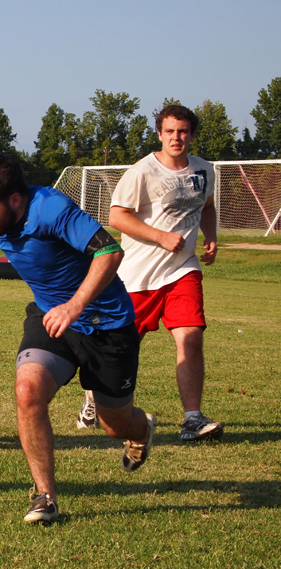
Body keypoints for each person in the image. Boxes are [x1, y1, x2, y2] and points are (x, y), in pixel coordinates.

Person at [0, 153, 155, 524]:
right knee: (28, 391)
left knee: (114, 424)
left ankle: (142, 429)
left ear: (16, 200)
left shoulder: (52, 209)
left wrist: (73, 306)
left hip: (108, 324)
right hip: (49, 316)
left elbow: (109, 251)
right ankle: (45, 496)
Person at [75, 104, 222, 443]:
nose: (176, 137)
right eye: (170, 131)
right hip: (138, 276)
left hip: (183, 271)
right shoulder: (143, 171)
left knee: (191, 338)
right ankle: (94, 401)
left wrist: (211, 238)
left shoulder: (204, 170)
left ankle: (192, 419)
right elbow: (117, 217)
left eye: (183, 131)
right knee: (120, 348)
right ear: (159, 134)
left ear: (192, 135)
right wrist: (160, 236)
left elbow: (208, 207)